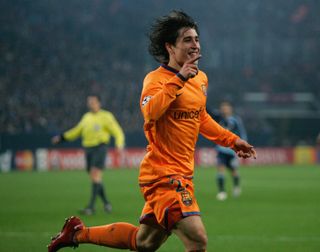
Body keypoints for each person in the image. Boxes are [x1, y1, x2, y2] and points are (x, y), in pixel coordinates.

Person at [47, 10, 256, 252]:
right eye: (187, 40)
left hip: (183, 174)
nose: (195, 45)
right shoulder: (155, 80)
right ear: (170, 47)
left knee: (144, 242)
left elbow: (201, 118)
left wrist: (233, 141)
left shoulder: (200, 80)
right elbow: (151, 112)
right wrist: (178, 78)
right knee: (197, 239)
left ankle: (77, 233)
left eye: (197, 39)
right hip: (162, 175)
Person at [51, 94, 125, 215]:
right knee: (95, 178)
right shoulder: (86, 117)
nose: (91, 103)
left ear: (99, 103)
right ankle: (107, 203)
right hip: (88, 149)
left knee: (95, 175)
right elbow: (76, 131)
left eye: (93, 101)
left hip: (100, 147)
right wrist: (61, 138)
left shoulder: (106, 116)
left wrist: (119, 144)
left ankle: (91, 207)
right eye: (89, 102)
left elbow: (118, 131)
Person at [213, 101, 248, 201]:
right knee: (220, 170)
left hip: (232, 152)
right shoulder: (218, 119)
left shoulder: (236, 120)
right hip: (221, 150)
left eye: (226, 108)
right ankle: (221, 192)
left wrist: (242, 145)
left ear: (230, 109)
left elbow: (242, 133)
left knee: (234, 172)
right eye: (222, 108)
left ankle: (236, 187)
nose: (224, 109)